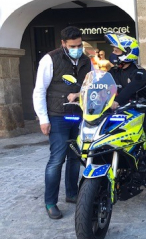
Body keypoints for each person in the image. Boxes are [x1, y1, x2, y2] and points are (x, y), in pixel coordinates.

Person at [104, 32, 146, 213]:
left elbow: (132, 88)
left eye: (116, 49)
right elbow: (101, 87)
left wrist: (118, 99)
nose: (113, 52)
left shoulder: (139, 72)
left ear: (127, 52)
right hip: (118, 115)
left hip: (143, 114)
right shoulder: (112, 73)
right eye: (114, 49)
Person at [33, 26, 92, 219]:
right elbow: (39, 90)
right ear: (63, 44)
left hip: (78, 115)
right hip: (57, 116)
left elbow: (89, 85)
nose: (77, 48)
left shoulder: (86, 60)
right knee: (57, 160)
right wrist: (43, 119)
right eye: (73, 45)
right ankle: (50, 202)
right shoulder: (50, 59)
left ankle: (72, 193)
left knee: (75, 156)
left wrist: (80, 94)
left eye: (79, 44)